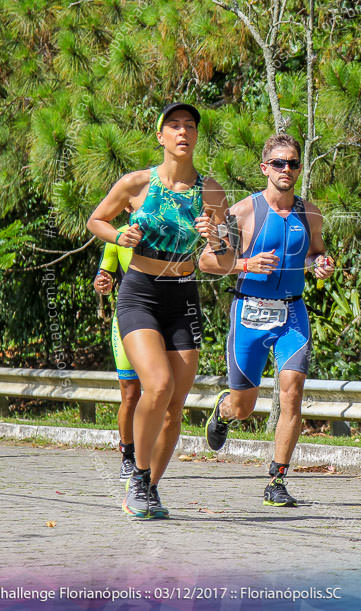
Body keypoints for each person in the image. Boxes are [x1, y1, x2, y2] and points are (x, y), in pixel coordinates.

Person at [86, 102, 231, 519]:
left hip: (184, 296)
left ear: (196, 137)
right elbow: (96, 220)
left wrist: (216, 239)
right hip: (140, 293)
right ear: (160, 136)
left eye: (190, 126)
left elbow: (222, 263)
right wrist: (121, 234)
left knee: (174, 409)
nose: (183, 132)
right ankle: (136, 471)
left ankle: (148, 488)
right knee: (159, 384)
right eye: (174, 126)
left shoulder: (212, 192)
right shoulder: (136, 184)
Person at [199, 133, 334, 507]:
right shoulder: (242, 212)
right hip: (250, 313)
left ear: (299, 168)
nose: (286, 169)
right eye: (278, 163)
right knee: (244, 405)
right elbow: (208, 261)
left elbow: (316, 255)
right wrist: (245, 263)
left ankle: (277, 480)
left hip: (292, 313)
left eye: (292, 163)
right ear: (264, 168)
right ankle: (224, 411)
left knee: (291, 394)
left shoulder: (311, 214)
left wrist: (320, 265)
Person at [92, 223, 141, 479]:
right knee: (131, 393)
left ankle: (149, 453)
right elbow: (104, 276)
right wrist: (102, 283)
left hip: (164, 318)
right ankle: (128, 455)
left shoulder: (170, 228)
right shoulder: (119, 235)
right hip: (128, 317)